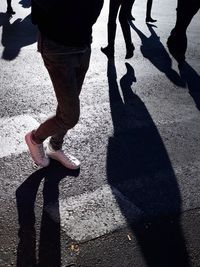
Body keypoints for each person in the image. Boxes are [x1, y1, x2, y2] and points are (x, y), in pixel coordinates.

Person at [25, 0, 104, 169]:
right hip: (57, 44)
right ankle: (35, 138)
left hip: (83, 41)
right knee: (69, 116)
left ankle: (55, 146)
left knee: (66, 106)